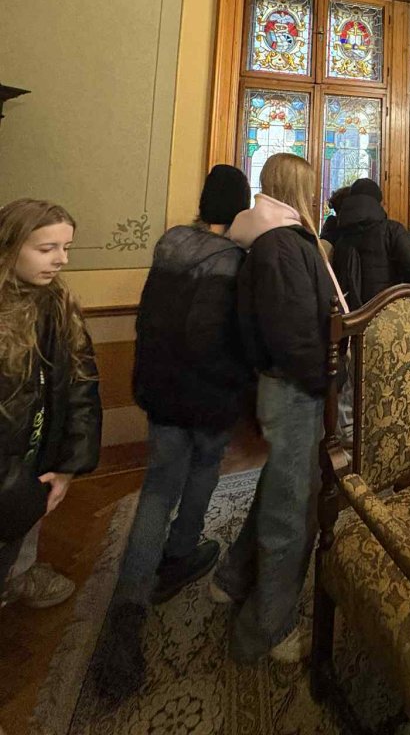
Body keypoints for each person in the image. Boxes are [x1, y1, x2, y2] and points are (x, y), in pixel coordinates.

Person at [93, 165, 253, 702]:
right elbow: (232, 336)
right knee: (204, 469)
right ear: (241, 207)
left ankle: (128, 605)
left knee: (157, 489)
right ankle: (181, 552)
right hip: (208, 394)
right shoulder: (237, 261)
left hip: (160, 387)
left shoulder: (169, 245)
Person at [211, 153, 333, 665]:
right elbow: (293, 333)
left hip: (289, 383)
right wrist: (325, 381)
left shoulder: (277, 238)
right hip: (295, 386)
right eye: (312, 187)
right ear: (297, 190)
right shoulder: (282, 244)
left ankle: (232, 578)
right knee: (293, 511)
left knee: (282, 486)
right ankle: (265, 629)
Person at [0, 200, 101, 606]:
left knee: (24, 531)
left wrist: (67, 465)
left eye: (66, 248)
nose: (61, 259)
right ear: (9, 247)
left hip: (39, 458)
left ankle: (17, 578)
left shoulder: (58, 305)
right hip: (7, 470)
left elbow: (81, 387)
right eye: (47, 249)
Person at [331, 178, 410, 308]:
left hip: (352, 314)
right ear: (377, 202)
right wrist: (407, 295)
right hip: (389, 309)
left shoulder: (340, 236)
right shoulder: (392, 230)